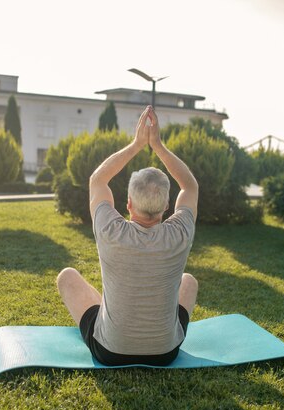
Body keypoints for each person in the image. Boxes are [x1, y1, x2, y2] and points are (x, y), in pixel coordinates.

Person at [57, 105, 198, 366]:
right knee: (188, 281)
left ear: (129, 204)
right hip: (166, 353)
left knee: (67, 276)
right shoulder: (180, 232)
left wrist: (136, 144)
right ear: (166, 206)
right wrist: (158, 145)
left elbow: (98, 180)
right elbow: (190, 185)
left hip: (110, 351)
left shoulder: (111, 230)